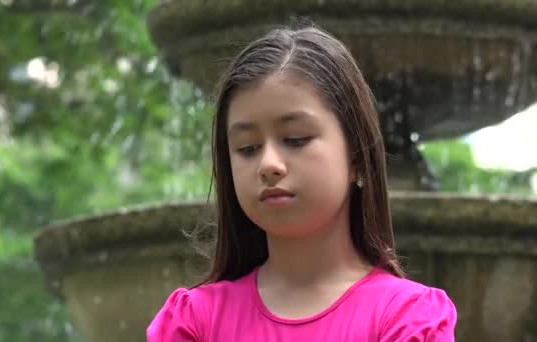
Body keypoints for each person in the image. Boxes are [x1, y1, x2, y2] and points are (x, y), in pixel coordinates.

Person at [146, 25, 457, 341]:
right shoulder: (194, 321)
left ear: (358, 158)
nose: (268, 164)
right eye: (247, 148)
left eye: (295, 139)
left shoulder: (407, 318)